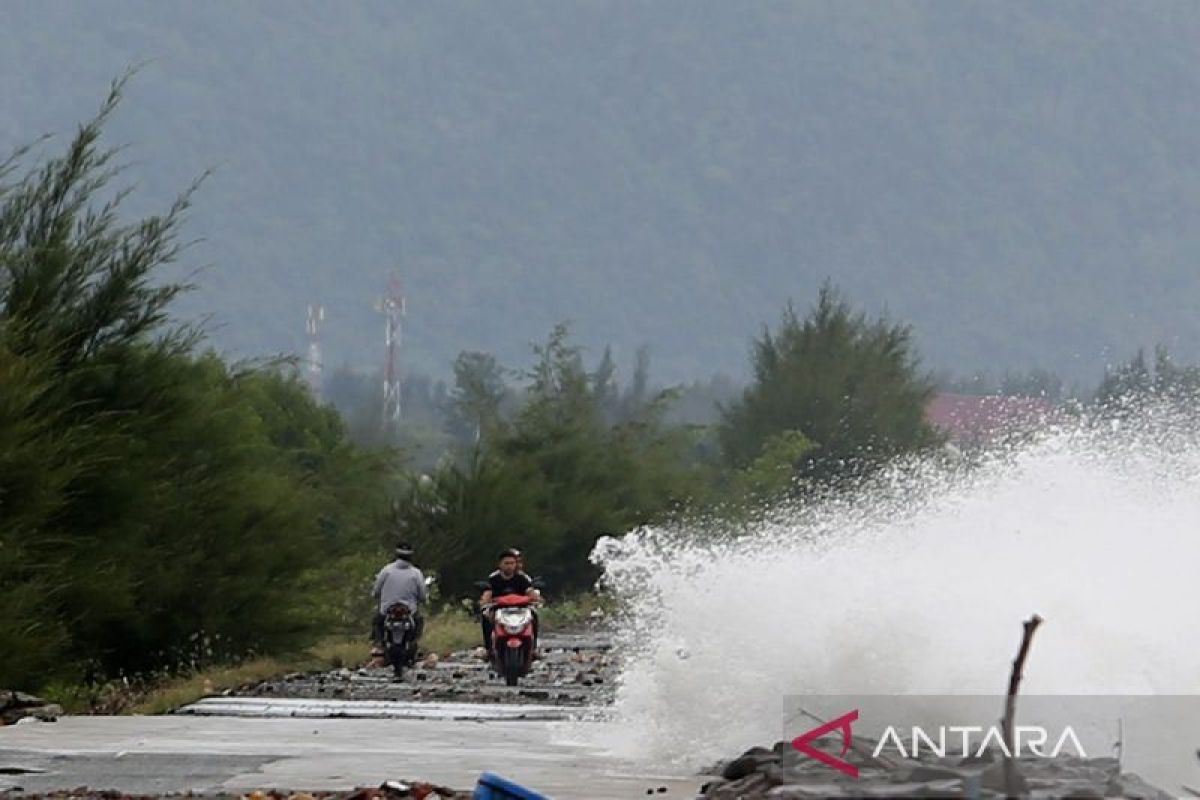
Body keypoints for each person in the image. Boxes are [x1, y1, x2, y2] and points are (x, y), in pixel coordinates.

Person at [371, 542, 428, 659]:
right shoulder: (416, 573)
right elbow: (422, 595)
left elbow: (376, 591)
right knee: (419, 621)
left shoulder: (386, 571)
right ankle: (414, 643)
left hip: (387, 610)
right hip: (409, 611)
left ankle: (378, 644)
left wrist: (378, 596)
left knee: (377, 622)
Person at [479, 548, 540, 655]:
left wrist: (536, 599)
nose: (509, 566)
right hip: (499, 608)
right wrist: (485, 603)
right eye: (506, 563)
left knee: (534, 615)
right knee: (485, 617)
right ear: (500, 564)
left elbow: (530, 592)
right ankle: (488, 648)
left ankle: (533, 648)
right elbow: (487, 592)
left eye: (512, 563)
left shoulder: (522, 578)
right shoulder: (493, 578)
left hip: (521, 609)